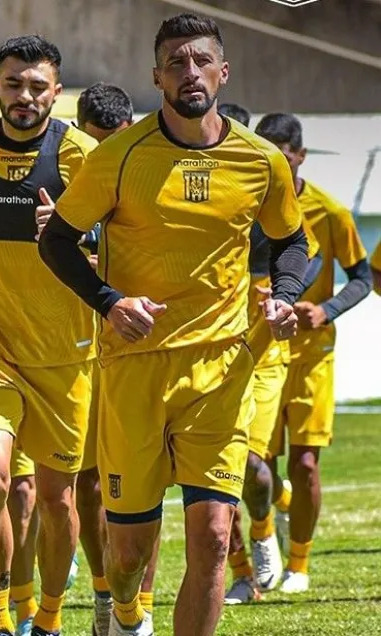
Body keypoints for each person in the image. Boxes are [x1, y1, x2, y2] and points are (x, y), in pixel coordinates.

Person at [39, 13, 308, 636]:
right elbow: (56, 241)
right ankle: (127, 613)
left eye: (200, 61)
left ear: (223, 70)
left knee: (214, 538)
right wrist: (109, 301)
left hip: (220, 370)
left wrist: (285, 295)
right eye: (176, 63)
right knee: (128, 556)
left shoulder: (261, 160)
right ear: (156, 75)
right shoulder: (118, 157)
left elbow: (292, 241)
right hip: (134, 369)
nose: (190, 73)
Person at [0, 35, 98, 636]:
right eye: (14, 83)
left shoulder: (81, 154)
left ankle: (50, 621)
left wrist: (78, 235)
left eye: (37, 86)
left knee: (57, 500)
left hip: (63, 353)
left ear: (56, 92)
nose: (24, 96)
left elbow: (118, 244)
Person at [255, 113, 371, 594]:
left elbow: (363, 278)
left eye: (284, 158)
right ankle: (265, 534)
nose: (276, 168)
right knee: (255, 464)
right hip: (259, 350)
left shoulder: (330, 211)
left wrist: (326, 310)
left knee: (305, 464)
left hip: (311, 354)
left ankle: (298, 564)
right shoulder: (244, 205)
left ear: (300, 156)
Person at [69, 82, 160, 636]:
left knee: (140, 489)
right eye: (93, 141)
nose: (103, 150)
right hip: (77, 347)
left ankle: (139, 607)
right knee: (87, 485)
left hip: (139, 346)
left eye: (112, 140)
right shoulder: (70, 168)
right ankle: (106, 597)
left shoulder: (152, 164)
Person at [217, 103, 315, 606]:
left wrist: (283, 292)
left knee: (253, 463)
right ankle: (241, 575)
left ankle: (262, 529)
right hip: (205, 352)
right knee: (215, 475)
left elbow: (306, 255)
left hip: (264, 356)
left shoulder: (270, 195)